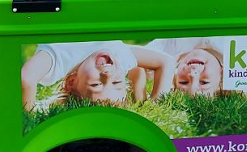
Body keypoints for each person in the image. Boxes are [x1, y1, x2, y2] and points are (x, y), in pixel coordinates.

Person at [21, 40, 174, 111]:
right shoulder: (119, 59)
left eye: (96, 84)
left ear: (71, 81)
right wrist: (155, 107)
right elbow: (166, 61)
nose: (107, 75)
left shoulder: (61, 60)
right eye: (117, 82)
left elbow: (27, 79)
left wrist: (28, 115)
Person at [146, 37, 225, 97]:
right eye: (204, 82)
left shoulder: (168, 53)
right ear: (222, 74)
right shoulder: (231, 52)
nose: (193, 73)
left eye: (184, 82)